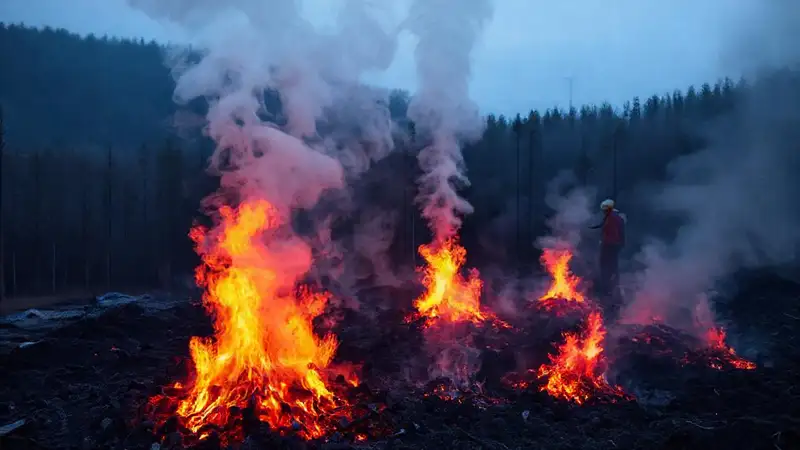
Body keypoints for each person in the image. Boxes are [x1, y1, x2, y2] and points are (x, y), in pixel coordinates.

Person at [589, 199, 626, 296]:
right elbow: (602, 225)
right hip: (613, 245)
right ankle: (611, 284)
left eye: (604, 210)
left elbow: (617, 232)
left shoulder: (613, 218)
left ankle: (607, 287)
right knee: (612, 264)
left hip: (610, 245)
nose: (603, 211)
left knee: (607, 265)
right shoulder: (612, 217)